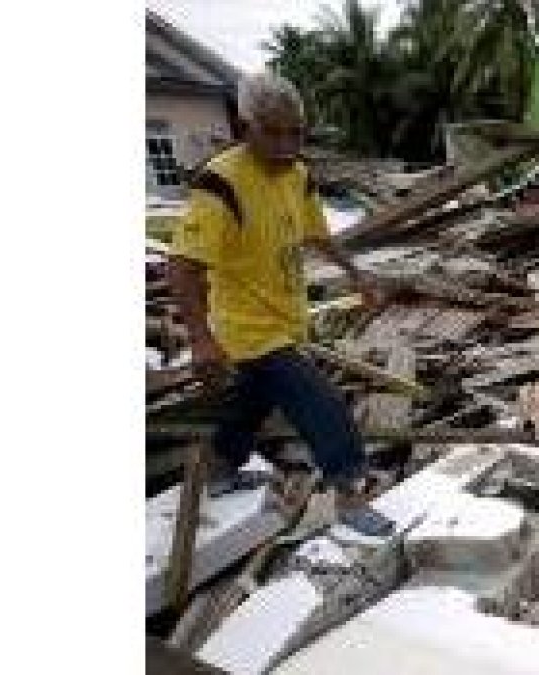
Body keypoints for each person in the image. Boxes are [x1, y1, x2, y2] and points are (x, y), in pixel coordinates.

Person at [167, 72, 394, 537]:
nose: (286, 144)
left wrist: (357, 275)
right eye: (273, 132)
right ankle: (350, 495)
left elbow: (317, 235)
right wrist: (201, 339)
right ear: (244, 125)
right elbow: (183, 267)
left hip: (287, 317)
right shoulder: (219, 185)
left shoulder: (298, 175)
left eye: (295, 132)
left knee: (249, 406)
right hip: (246, 327)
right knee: (323, 404)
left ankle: (221, 469)